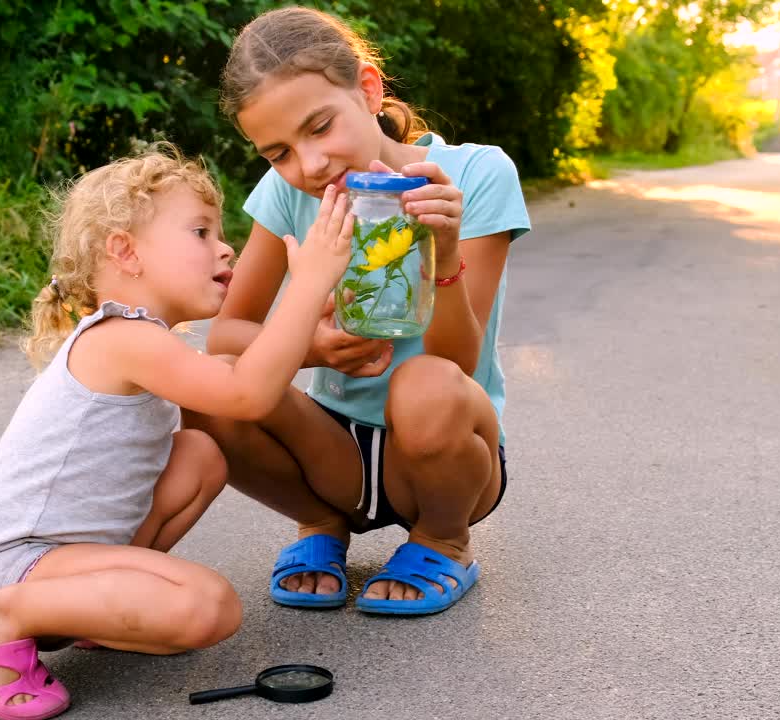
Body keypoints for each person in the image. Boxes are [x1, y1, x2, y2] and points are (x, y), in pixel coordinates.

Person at [0, 144, 355, 720]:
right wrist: (307, 286)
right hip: (30, 561)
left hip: (76, 553)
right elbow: (249, 395)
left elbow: (235, 377)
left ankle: (93, 611)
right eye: (201, 232)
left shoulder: (140, 339)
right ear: (125, 251)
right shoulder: (123, 339)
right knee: (210, 608)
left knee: (200, 452)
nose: (224, 246)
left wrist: (307, 332)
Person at [185, 6, 533, 616]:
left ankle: (442, 541)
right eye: (278, 153)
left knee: (424, 383)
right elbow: (228, 336)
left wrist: (443, 253)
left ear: (368, 90)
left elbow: (457, 363)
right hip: (329, 456)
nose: (310, 165)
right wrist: (309, 347)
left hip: (444, 453)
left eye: (320, 127)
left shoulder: (473, 176)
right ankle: (320, 523)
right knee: (203, 391)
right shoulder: (288, 194)